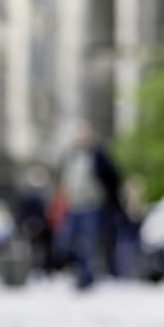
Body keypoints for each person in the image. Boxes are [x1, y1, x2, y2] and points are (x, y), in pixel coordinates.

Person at [58, 120, 122, 290]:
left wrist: (109, 200)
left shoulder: (98, 155)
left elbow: (112, 177)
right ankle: (82, 272)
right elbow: (66, 178)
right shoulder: (71, 155)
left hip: (92, 205)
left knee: (89, 242)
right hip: (74, 205)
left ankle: (86, 277)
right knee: (70, 241)